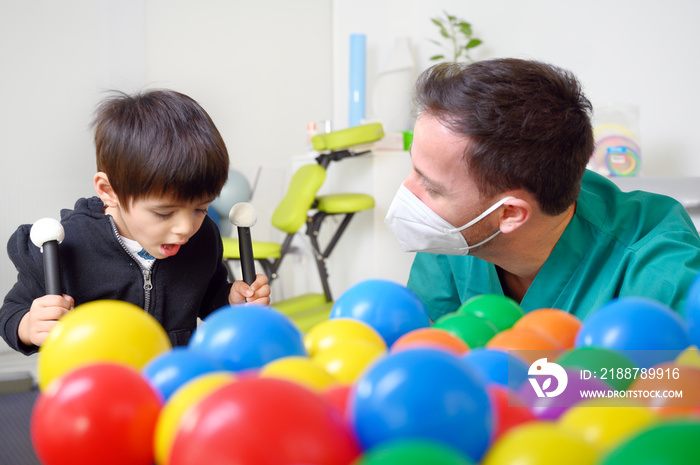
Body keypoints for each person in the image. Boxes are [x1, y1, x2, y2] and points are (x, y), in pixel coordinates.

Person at [385, 58, 700, 322]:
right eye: (414, 170)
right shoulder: (449, 241)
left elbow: (673, 387)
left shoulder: (659, 274)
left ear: (509, 213)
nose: (408, 192)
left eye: (431, 187)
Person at [1, 89, 270, 354]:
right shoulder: (68, 246)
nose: (186, 229)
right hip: (99, 386)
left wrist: (231, 302)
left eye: (200, 208)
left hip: (172, 380)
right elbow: (11, 312)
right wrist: (28, 326)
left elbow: (208, 297)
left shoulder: (203, 239)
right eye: (164, 213)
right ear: (109, 191)